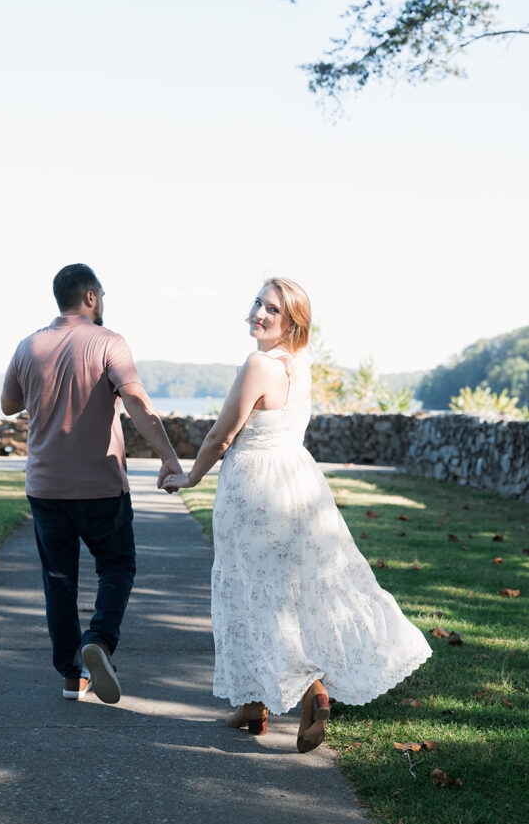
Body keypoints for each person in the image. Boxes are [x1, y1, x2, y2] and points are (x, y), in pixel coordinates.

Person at [159, 277, 432, 752]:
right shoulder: (302, 363)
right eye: (257, 302)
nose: (259, 313)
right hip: (300, 485)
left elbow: (220, 437)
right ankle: (252, 704)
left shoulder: (258, 364)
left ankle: (312, 690)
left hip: (254, 490)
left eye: (272, 310)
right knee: (294, 589)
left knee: (254, 594)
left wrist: (191, 477)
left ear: (291, 323)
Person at [1, 263, 181, 705]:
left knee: (58, 581)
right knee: (117, 566)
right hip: (101, 486)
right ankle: (98, 640)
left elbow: (9, 404)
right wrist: (168, 455)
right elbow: (135, 400)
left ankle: (71, 677)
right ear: (91, 298)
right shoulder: (108, 342)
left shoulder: (28, 345)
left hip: (45, 488)